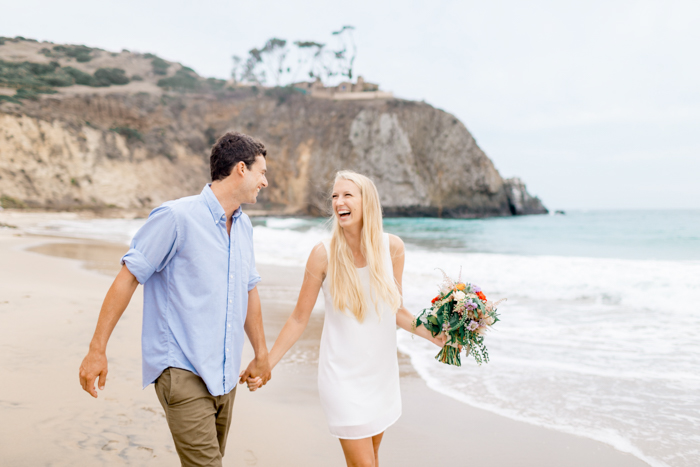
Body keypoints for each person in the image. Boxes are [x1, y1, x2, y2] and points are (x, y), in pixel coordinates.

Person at [78, 132, 272, 467]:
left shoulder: (243, 227)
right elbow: (128, 278)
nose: (265, 182)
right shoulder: (175, 217)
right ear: (241, 169)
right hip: (181, 369)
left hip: (225, 376)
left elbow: (249, 290)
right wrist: (97, 349)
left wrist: (262, 353)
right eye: (261, 172)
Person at [240, 170, 446, 467]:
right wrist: (267, 363)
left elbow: (396, 310)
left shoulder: (393, 248)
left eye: (348, 195)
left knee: (370, 461)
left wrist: (434, 336)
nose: (339, 202)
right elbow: (299, 318)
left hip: (381, 375)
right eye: (335, 196)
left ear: (367, 202)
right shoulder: (322, 255)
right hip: (342, 378)